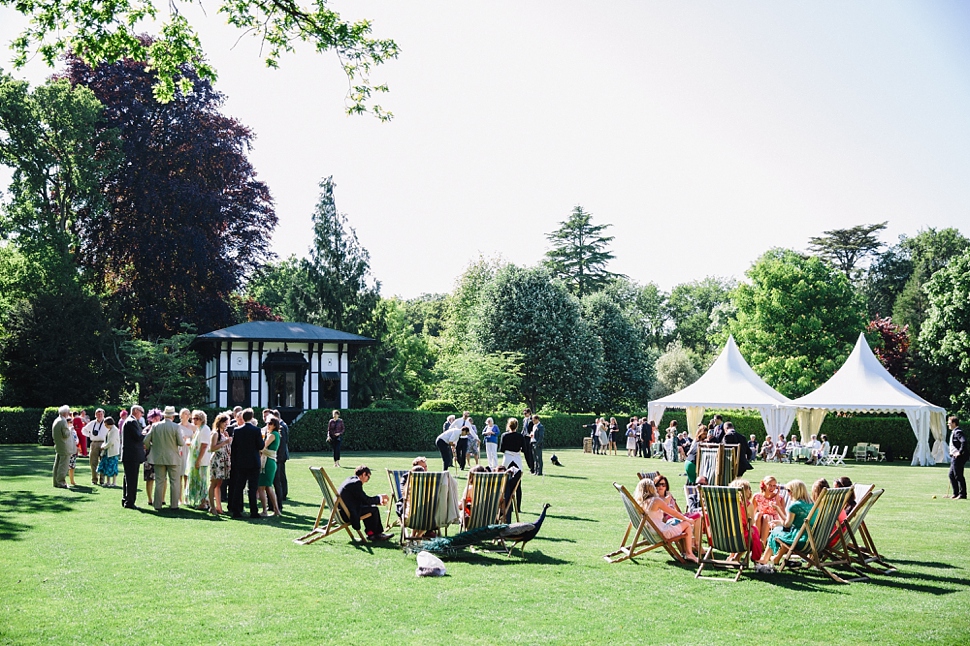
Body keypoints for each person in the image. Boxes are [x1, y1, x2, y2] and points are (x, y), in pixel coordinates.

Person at [634, 478, 697, 562]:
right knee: (686, 524)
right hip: (662, 533)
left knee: (675, 522)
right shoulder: (655, 501)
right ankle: (689, 553)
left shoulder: (639, 503)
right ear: (651, 488)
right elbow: (674, 513)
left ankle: (684, 552)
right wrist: (687, 519)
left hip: (651, 532)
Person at [760, 479, 812, 566]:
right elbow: (793, 522)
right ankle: (776, 558)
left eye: (789, 490)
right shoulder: (812, 504)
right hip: (811, 540)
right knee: (783, 532)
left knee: (776, 531)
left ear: (795, 491)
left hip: (800, 540)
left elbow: (787, 525)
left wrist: (778, 510)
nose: (788, 493)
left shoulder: (794, 506)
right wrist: (779, 521)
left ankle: (764, 559)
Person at [143, 407, 184, 511]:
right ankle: (174, 505)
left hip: (158, 457)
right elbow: (181, 443)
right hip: (173, 458)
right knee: (174, 482)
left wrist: (150, 448)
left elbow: (146, 440)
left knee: (159, 481)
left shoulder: (155, 426)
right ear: (173, 416)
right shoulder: (176, 427)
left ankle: (157, 505)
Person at [337, 465, 392, 540]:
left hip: (339, 512)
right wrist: (379, 498)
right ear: (363, 474)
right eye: (368, 477)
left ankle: (371, 533)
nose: (368, 479)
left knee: (369, 507)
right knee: (374, 509)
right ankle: (377, 534)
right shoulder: (356, 483)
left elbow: (362, 499)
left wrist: (376, 501)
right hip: (347, 514)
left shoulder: (350, 480)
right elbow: (366, 500)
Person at [228, 408, 264, 519]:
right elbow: (261, 446)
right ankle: (254, 511)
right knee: (252, 488)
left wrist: (234, 461)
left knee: (239, 486)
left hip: (241, 462)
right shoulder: (256, 430)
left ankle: (236, 511)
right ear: (252, 417)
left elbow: (234, 448)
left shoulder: (237, 431)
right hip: (253, 462)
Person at [728, 478, 763, 561]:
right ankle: (755, 558)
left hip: (724, 537)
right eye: (749, 488)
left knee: (751, 533)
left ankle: (736, 557)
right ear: (744, 491)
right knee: (753, 532)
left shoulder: (726, 504)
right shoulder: (747, 505)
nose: (750, 490)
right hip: (740, 538)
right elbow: (752, 523)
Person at [207, 412, 232, 515]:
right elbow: (212, 448)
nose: (226, 424)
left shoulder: (223, 433)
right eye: (224, 422)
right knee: (213, 483)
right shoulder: (215, 433)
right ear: (219, 422)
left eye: (227, 422)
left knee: (219, 484)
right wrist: (224, 443)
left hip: (223, 460)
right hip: (217, 460)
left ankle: (218, 507)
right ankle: (212, 507)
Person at [185, 410, 210, 509]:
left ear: (202, 419)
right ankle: (202, 501)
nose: (194, 420)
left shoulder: (205, 429)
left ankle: (203, 502)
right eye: (193, 418)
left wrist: (198, 460)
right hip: (196, 458)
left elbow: (204, 446)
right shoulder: (198, 429)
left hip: (201, 460)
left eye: (197, 419)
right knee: (197, 480)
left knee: (202, 481)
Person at [752, 476, 786, 548]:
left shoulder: (780, 497)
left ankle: (762, 544)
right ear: (764, 485)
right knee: (758, 514)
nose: (772, 488)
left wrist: (777, 499)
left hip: (774, 519)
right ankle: (757, 542)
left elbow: (783, 514)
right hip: (759, 518)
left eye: (774, 486)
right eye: (770, 485)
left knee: (766, 516)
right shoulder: (757, 496)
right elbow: (753, 512)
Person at [258, 416, 282, 516]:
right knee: (268, 487)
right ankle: (276, 509)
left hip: (267, 462)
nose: (268, 425)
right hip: (269, 461)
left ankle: (265, 510)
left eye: (270, 424)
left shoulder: (273, 435)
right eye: (267, 423)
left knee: (262, 487)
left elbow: (262, 446)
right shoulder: (273, 434)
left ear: (275, 425)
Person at [82, 408, 108, 485]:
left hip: (104, 443)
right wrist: (89, 435)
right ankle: (94, 479)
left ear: (103, 415)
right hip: (94, 443)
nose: (99, 416)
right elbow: (83, 430)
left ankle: (102, 480)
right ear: (95, 415)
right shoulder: (92, 423)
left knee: (103, 462)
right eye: (98, 414)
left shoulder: (106, 422)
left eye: (101, 414)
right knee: (93, 462)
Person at [270, 409, 289, 509]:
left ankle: (282, 496)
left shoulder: (282, 428)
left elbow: (283, 444)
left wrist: (279, 458)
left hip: (279, 457)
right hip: (278, 457)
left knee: (280, 478)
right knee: (279, 478)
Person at [143, 408, 162, 506]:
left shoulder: (162, 428)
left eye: (158, 417)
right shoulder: (146, 429)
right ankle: (150, 499)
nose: (156, 419)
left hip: (160, 457)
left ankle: (161, 498)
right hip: (149, 457)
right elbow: (144, 443)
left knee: (161, 478)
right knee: (149, 479)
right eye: (154, 417)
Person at [52, 405, 74, 489]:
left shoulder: (56, 420)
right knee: (63, 465)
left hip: (59, 445)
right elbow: (66, 434)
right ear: (65, 413)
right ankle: (61, 482)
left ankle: (56, 482)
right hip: (64, 446)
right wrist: (70, 429)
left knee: (57, 464)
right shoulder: (63, 421)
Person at [96, 417, 121, 488]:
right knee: (107, 466)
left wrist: (104, 447)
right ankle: (108, 482)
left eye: (105, 424)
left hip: (112, 451)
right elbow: (106, 440)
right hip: (107, 451)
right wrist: (103, 446)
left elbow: (111, 442)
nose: (105, 425)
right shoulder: (110, 430)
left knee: (113, 466)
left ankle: (114, 482)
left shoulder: (115, 430)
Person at [947, 416, 967, 500]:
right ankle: (955, 493)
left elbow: (964, 441)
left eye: (950, 423)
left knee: (958, 475)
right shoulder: (954, 432)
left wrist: (959, 452)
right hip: (954, 457)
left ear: (954, 424)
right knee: (951, 475)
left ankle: (962, 494)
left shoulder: (958, 432)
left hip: (958, 457)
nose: (948, 424)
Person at [521, 409, 536, 473]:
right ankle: (529, 466)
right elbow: (523, 429)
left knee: (530, 453)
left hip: (530, 438)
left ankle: (532, 468)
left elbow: (534, 429)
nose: (524, 415)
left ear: (529, 413)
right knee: (525, 453)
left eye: (526, 413)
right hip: (525, 438)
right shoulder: (524, 420)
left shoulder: (531, 420)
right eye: (524, 413)